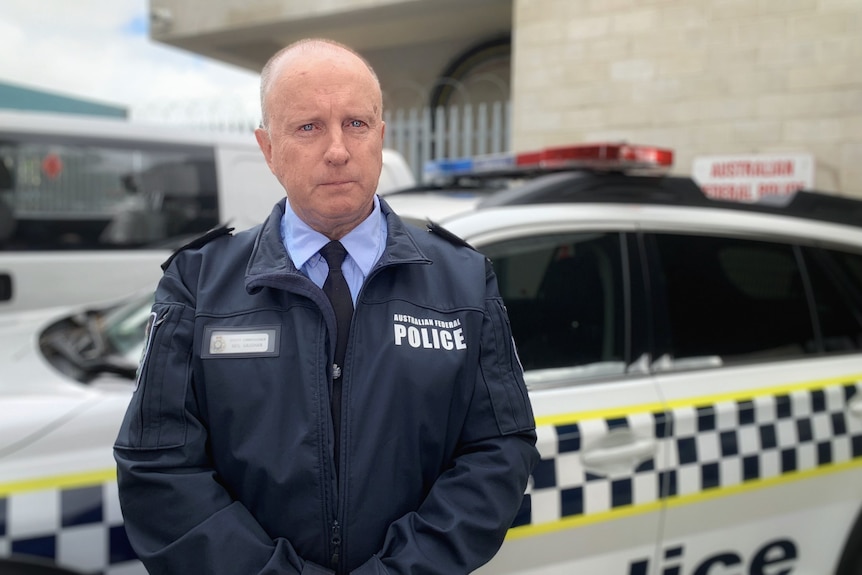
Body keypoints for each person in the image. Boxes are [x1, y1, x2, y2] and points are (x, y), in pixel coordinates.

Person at [114, 38, 539, 575]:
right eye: (309, 126)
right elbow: (158, 467)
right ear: (268, 149)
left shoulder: (463, 281)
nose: (337, 149)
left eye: (356, 124)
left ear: (381, 138)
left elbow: (499, 452)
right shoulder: (199, 285)